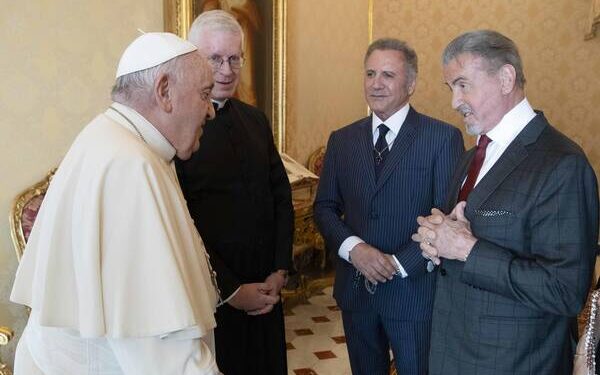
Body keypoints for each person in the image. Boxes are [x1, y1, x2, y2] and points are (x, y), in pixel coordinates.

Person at [10, 32, 220, 375]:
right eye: (204, 94)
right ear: (164, 91)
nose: (211, 111)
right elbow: (158, 345)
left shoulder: (118, 140)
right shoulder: (128, 166)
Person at [414, 29, 599, 374]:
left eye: (462, 84)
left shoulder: (562, 163)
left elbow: (565, 291)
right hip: (451, 351)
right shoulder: (471, 157)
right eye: (450, 88)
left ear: (505, 78)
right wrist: (437, 241)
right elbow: (461, 242)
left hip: (516, 362)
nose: (454, 101)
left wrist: (467, 249)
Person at [313, 38, 464, 375]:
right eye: (370, 73)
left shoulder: (442, 138)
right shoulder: (342, 139)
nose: (376, 83)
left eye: (387, 75)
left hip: (413, 293)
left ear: (410, 84)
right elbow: (324, 207)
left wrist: (396, 264)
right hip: (356, 292)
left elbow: (446, 216)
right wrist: (355, 250)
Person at [174, 10, 294, 375]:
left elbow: (280, 196)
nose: (226, 70)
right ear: (194, 60)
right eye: (215, 59)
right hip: (213, 296)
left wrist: (279, 269)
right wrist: (230, 290)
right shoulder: (178, 129)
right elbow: (182, 220)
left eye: (234, 58)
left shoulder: (255, 120)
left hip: (266, 288)